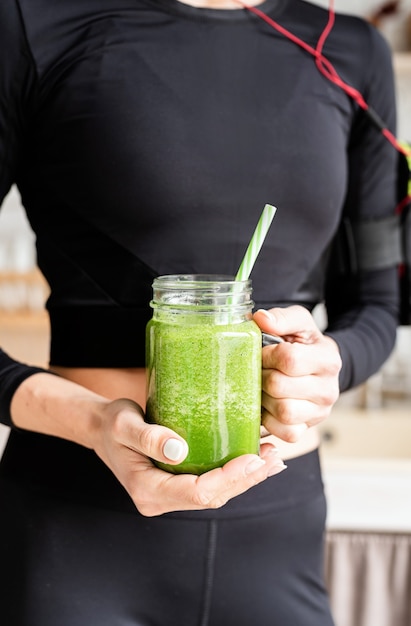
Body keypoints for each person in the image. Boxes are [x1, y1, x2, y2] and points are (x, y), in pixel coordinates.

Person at [0, 0, 400, 624]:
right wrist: (95, 422)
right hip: (76, 522)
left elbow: (376, 303)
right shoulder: (33, 23)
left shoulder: (350, 49)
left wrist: (331, 363)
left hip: (279, 527)